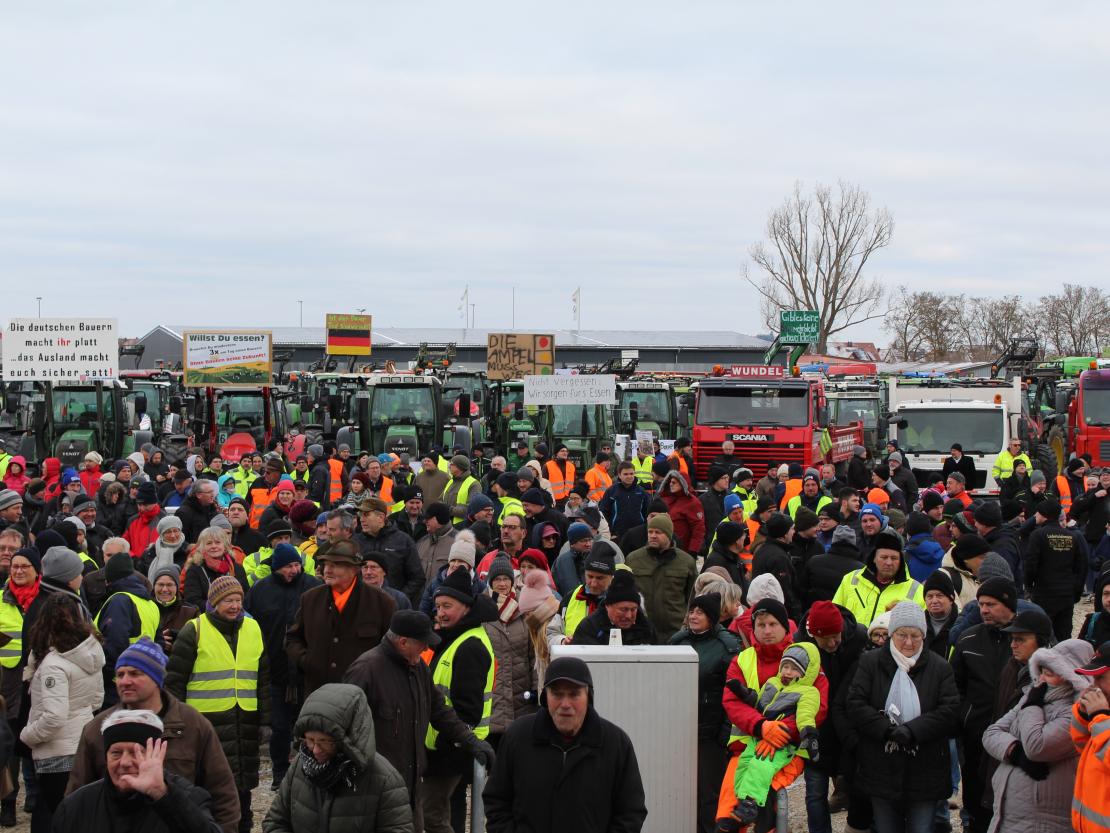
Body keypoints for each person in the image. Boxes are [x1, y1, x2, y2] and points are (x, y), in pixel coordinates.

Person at [66, 638, 240, 833]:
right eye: (120, 675)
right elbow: (77, 796)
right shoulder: (98, 729)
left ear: (157, 678)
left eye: (135, 673)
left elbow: (222, 792)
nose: (125, 681)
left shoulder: (193, 724)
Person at [343, 610, 493, 831]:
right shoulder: (366, 670)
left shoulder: (417, 667)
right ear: (403, 642)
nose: (427, 649)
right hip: (375, 789)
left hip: (411, 784)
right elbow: (346, 728)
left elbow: (440, 710)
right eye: (423, 643)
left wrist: (471, 741)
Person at [482, 656, 647, 833]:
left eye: (574, 694)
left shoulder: (615, 744)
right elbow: (497, 801)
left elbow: (631, 813)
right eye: (557, 694)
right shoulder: (518, 737)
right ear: (545, 697)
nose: (565, 704)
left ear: (588, 696)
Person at [845, 602, 959, 833]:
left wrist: (913, 730)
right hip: (880, 764)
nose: (908, 642)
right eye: (902, 635)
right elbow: (855, 704)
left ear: (924, 636)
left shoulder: (940, 668)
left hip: (925, 766)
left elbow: (949, 710)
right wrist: (886, 730)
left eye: (915, 636)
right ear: (891, 634)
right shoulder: (871, 662)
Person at [717, 598, 826, 828]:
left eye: (773, 624)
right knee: (728, 815)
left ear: (785, 626)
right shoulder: (743, 659)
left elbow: (817, 706)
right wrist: (762, 727)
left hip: (788, 749)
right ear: (753, 628)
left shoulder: (803, 658)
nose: (767, 630)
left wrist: (783, 732)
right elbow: (732, 702)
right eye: (761, 625)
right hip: (745, 746)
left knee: (766, 805)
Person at [261, 683, 413, 833]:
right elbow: (275, 821)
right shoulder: (299, 767)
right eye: (309, 740)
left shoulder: (384, 780)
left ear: (348, 739)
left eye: (324, 741)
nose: (315, 750)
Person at [982, 639, 1094, 833]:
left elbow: (1037, 746)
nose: (1043, 677)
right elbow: (991, 733)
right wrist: (1015, 753)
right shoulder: (1032, 695)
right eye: (1043, 669)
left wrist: (1032, 706)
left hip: (1045, 821)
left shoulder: (1077, 711)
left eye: (1053, 670)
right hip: (1006, 813)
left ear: (1072, 675)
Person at [54, 711, 222, 833]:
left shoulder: (188, 798)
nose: (125, 762)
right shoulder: (75, 807)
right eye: (116, 753)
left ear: (156, 755)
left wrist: (161, 794)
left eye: (136, 752)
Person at [19, 593, 104, 833]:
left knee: (52, 816)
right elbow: (96, 699)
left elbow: (54, 716)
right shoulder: (90, 655)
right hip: (83, 744)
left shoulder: (53, 665)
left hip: (56, 753)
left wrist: (27, 735)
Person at [422, 567, 496, 833]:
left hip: (450, 749)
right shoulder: (456, 637)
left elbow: (468, 709)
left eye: (447, 606)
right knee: (442, 812)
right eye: (438, 606)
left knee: (431, 814)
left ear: (466, 608)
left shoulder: (469, 646)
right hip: (445, 745)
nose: (440, 612)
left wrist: (445, 743)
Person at [244, 543, 320, 788]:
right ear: (277, 567)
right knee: (278, 726)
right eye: (289, 566)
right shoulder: (260, 590)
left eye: (297, 565)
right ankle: (279, 773)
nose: (294, 570)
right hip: (273, 670)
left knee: (310, 724)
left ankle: (310, 772)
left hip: (306, 669)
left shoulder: (313, 586)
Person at [951, 578, 1021, 833]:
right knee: (976, 802)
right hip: (975, 738)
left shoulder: (1027, 639)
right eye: (981, 604)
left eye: (991, 604)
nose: (984, 610)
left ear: (1008, 605)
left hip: (1016, 740)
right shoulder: (968, 639)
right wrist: (963, 719)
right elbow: (954, 686)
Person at [285, 540, 395, 698]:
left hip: (363, 697)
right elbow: (292, 639)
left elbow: (392, 649)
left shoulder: (382, 603)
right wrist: (307, 661)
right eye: (326, 564)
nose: (327, 570)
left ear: (354, 569)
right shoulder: (310, 599)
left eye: (335, 565)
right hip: (319, 695)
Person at [669, 593, 740, 833]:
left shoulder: (728, 646)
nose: (693, 616)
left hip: (711, 734)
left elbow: (733, 695)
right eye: (692, 611)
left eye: (700, 612)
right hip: (680, 731)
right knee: (682, 791)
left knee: (709, 794)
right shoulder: (677, 642)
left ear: (711, 617)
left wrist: (725, 734)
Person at [798, 601, 868, 833]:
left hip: (848, 728)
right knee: (815, 795)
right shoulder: (801, 646)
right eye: (824, 639)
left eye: (835, 636)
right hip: (817, 729)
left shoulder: (859, 638)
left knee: (857, 791)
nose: (831, 643)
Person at [95, 552, 159, 704]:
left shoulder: (120, 600)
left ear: (109, 578)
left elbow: (114, 643)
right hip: (143, 678)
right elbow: (160, 643)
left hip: (117, 683)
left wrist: (104, 676)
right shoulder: (150, 603)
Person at [625, 513, 697, 643]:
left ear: (669, 535)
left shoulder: (686, 562)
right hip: (641, 632)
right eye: (650, 531)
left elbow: (692, 598)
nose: (653, 535)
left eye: (658, 532)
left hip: (676, 632)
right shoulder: (633, 560)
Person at [1024, 498, 1089, 641]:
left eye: (1038, 513)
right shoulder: (1072, 536)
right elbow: (1080, 567)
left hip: (1044, 593)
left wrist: (1029, 586)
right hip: (1066, 593)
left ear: (1044, 515)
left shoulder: (1038, 535)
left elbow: (1030, 564)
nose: (1036, 516)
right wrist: (1076, 591)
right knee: (1064, 635)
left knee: (1042, 634)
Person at [831, 528, 925, 627]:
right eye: (884, 557)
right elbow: (835, 614)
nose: (889, 563)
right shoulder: (851, 579)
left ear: (901, 560)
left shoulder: (916, 590)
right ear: (874, 558)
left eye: (894, 558)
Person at [1070, 640, 1110, 833]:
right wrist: (1084, 715)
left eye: (1100, 678)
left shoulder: (1103, 718)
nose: (1094, 686)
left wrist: (1099, 718)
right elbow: (1083, 746)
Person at [354, 497, 424, 606]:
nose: (361, 519)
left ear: (381, 517)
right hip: (361, 604)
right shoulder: (355, 542)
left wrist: (398, 598)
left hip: (393, 606)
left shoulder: (403, 541)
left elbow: (417, 577)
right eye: (360, 515)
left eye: (366, 515)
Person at [571, 569, 657, 646]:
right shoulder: (590, 628)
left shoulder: (646, 628)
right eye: (623, 609)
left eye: (633, 609)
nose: (628, 616)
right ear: (608, 606)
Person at [150, 565, 197, 655]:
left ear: (177, 587)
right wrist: (155, 642)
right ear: (154, 586)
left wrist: (177, 639)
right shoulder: (144, 608)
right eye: (160, 584)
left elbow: (198, 640)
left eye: (169, 585)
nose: (164, 589)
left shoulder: (191, 611)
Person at [598, 462, 651, 541]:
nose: (629, 476)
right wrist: (611, 532)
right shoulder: (611, 491)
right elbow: (603, 513)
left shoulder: (641, 491)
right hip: (617, 535)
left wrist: (644, 531)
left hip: (638, 535)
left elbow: (648, 513)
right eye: (625, 474)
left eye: (631, 473)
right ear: (619, 475)